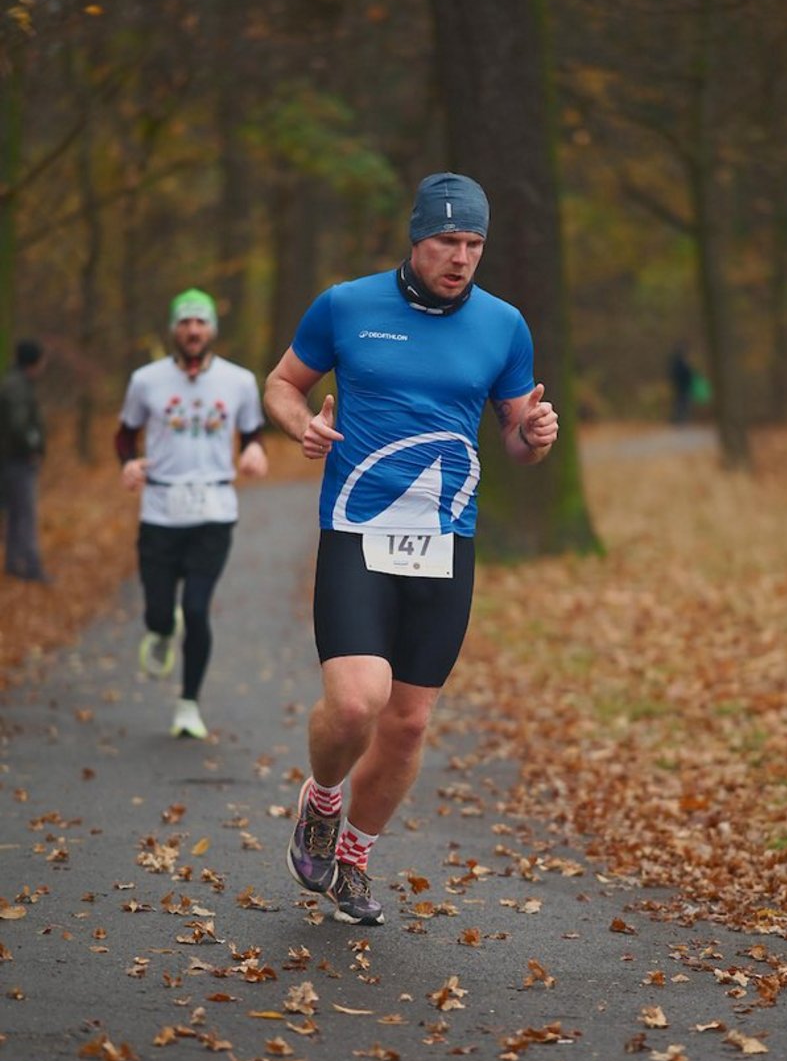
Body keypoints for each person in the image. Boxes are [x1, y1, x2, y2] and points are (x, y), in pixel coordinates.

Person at [264, 172, 558, 926]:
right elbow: (281, 383)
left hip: (445, 540)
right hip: (358, 528)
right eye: (447, 242)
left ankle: (355, 858)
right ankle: (323, 801)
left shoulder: (504, 325)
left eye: (473, 244)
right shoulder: (347, 305)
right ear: (416, 238)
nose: (460, 258)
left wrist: (533, 437)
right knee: (357, 701)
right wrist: (300, 422)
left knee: (408, 723)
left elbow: (519, 437)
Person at [115, 289, 269, 739]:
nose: (194, 330)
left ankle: (188, 704)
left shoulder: (239, 381)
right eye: (185, 322)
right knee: (159, 614)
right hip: (160, 511)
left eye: (201, 322)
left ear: (212, 331)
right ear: (174, 329)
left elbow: (252, 431)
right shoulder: (146, 380)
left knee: (197, 608)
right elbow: (125, 434)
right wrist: (127, 462)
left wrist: (256, 452)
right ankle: (161, 630)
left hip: (214, 510)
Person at [0, 339, 51, 583]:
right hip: (16, 462)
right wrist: (33, 448)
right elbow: (19, 425)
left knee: (14, 513)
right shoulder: (17, 388)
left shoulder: (15, 383)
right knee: (24, 514)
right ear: (33, 361)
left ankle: (13, 562)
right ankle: (30, 566)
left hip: (10, 459)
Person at [668, 340, 694, 425]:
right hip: (682, 385)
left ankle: (680, 419)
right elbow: (683, 373)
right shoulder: (680, 362)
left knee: (681, 403)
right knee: (682, 403)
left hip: (681, 385)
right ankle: (680, 420)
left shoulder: (676, 361)